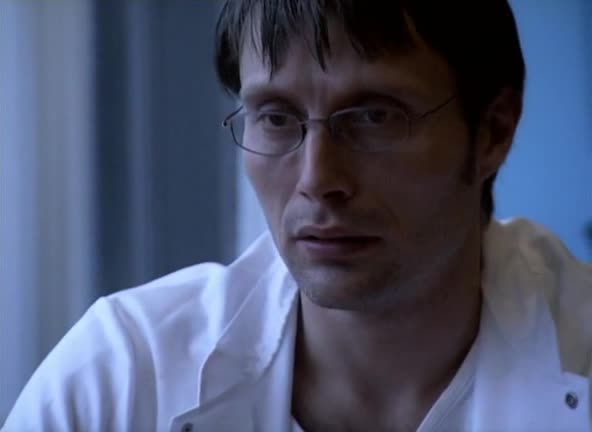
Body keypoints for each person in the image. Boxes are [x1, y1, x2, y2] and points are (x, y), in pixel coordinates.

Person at [4, 1, 592, 431]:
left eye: (374, 117)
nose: (317, 179)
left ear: (493, 131)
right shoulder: (122, 378)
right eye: (277, 117)